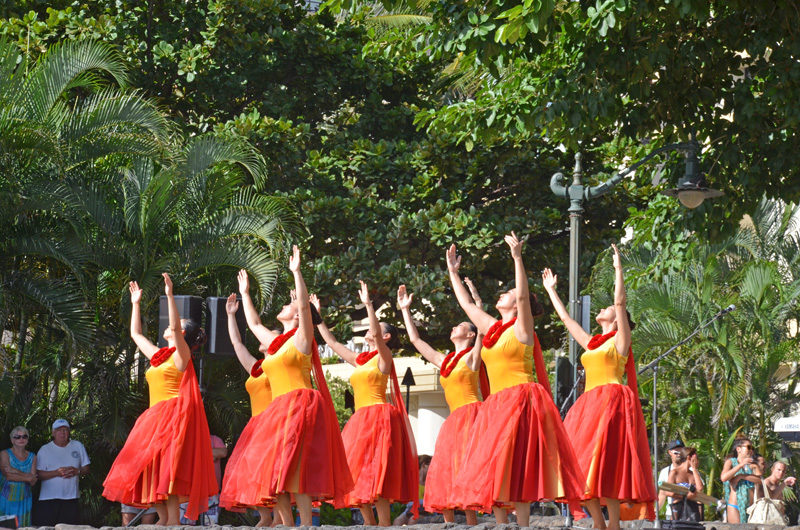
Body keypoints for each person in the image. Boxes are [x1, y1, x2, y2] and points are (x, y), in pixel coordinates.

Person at [447, 233, 585, 526]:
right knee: (494, 467)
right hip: (495, 405)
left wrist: (517, 258)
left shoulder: (522, 328)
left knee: (517, 466)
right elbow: (466, 306)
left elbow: (522, 295)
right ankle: (502, 524)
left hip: (520, 400)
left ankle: (521, 524)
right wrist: (452, 273)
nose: (503, 295)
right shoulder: (493, 329)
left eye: (506, 293)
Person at [220, 246, 353, 527]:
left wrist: (297, 272)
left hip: (300, 403)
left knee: (296, 467)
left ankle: (304, 524)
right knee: (274, 470)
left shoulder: (301, 340)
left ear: (297, 316)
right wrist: (245, 294)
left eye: (288, 306)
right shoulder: (275, 345)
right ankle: (288, 525)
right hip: (277, 410)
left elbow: (304, 307)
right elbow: (253, 323)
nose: (284, 306)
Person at [542, 244, 656, 530]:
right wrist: (551, 291)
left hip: (611, 401)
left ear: (617, 320)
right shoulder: (593, 343)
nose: (605, 308)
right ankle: (600, 525)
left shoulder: (620, 340)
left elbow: (619, 303)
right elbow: (568, 321)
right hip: (589, 405)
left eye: (608, 308)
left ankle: (612, 525)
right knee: (581, 468)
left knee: (603, 466)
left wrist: (619, 270)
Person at [103, 273, 218, 525]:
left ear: (184, 334)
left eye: (176, 325)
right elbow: (136, 334)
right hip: (154, 419)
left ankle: (173, 522)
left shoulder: (182, 355)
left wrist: (169, 297)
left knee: (167, 473)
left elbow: (175, 328)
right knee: (154, 473)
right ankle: (164, 520)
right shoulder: (159, 356)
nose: (168, 326)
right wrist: (135, 303)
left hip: (173, 418)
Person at [314, 280, 419, 527]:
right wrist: (317, 317)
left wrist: (369, 306)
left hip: (379, 416)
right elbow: (333, 343)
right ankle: (369, 522)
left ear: (386, 336)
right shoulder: (361, 360)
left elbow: (378, 339)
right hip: (360, 419)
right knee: (354, 471)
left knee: (377, 472)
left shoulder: (384, 358)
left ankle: (383, 523)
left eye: (376, 329)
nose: (370, 330)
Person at [397, 283, 483, 525]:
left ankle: (472, 522)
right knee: (446, 469)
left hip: (471, 414)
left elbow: (484, 332)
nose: (455, 327)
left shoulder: (472, 357)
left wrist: (477, 306)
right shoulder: (445, 361)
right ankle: (448, 523)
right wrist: (405, 309)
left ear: (470, 335)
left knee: (466, 467)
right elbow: (415, 340)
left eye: (461, 326)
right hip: (454, 419)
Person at [221, 291, 277, 526]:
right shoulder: (256, 367)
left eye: (272, 335)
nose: (263, 337)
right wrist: (231, 316)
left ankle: (282, 520)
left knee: (274, 473)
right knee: (255, 473)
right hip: (256, 427)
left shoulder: (282, 366)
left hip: (274, 423)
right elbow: (237, 344)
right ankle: (265, 519)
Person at [35, 419, 90, 526]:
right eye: (59, 430)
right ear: (53, 433)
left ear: (69, 432)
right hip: (48, 499)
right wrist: (56, 473)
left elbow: (87, 468)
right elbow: (38, 474)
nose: (62, 433)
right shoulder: (45, 449)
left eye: (65, 430)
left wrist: (76, 471)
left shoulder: (78, 446)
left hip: (71, 498)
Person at [0, 426, 37, 526]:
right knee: (5, 527)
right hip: (6, 498)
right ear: (12, 440)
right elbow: (8, 476)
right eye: (18, 437)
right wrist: (27, 477)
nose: (21, 439)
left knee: (24, 526)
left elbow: (33, 481)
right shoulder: (4, 454)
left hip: (24, 499)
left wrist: (14, 471)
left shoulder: (32, 456)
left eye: (24, 437)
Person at [721, 437, 762, 523]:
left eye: (752, 448)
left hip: (750, 507)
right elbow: (724, 477)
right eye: (748, 447)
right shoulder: (731, 462)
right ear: (738, 449)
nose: (751, 450)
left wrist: (741, 476)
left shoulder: (753, 466)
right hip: (734, 505)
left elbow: (760, 480)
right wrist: (740, 465)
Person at [667, 447, 704, 521]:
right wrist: (686, 496)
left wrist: (694, 469)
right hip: (678, 510)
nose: (697, 461)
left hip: (692, 511)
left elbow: (700, 488)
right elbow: (668, 492)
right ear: (689, 458)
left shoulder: (693, 474)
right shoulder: (675, 472)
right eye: (696, 458)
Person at [658, 440, 685, 520]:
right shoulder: (665, 472)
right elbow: (662, 494)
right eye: (676, 453)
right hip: (671, 513)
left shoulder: (691, 470)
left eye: (681, 453)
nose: (678, 455)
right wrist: (655, 512)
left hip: (688, 513)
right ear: (670, 452)